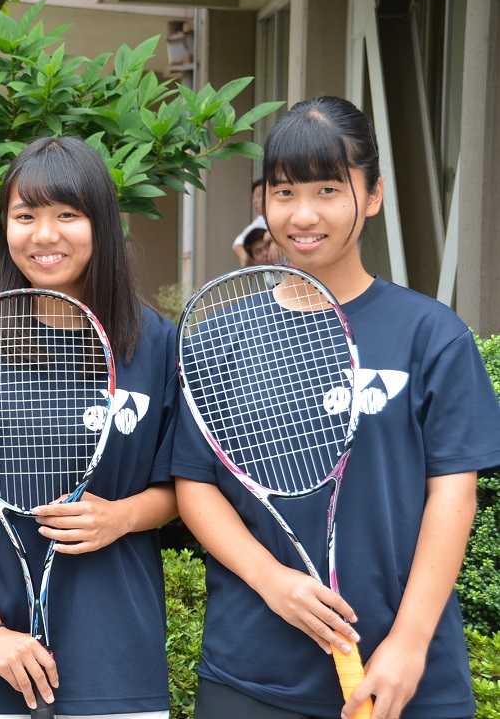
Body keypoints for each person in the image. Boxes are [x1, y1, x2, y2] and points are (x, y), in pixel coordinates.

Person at [174, 95, 500, 719]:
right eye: (284, 191)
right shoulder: (220, 336)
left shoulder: (432, 334)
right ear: (262, 202)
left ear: (372, 195)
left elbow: (454, 492)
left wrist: (408, 645)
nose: (303, 214)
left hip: (404, 679)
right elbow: (196, 484)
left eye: (328, 189)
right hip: (252, 676)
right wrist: (275, 582)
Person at [0, 135, 179, 718]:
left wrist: (121, 516)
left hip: (118, 649)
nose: (45, 235)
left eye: (68, 214)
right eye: (25, 215)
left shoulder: (157, 342)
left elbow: (180, 488)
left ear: (102, 224)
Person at [233, 178, 268, 266]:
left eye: (259, 196)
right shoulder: (261, 220)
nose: (254, 201)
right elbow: (238, 241)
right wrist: (245, 258)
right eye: (254, 197)